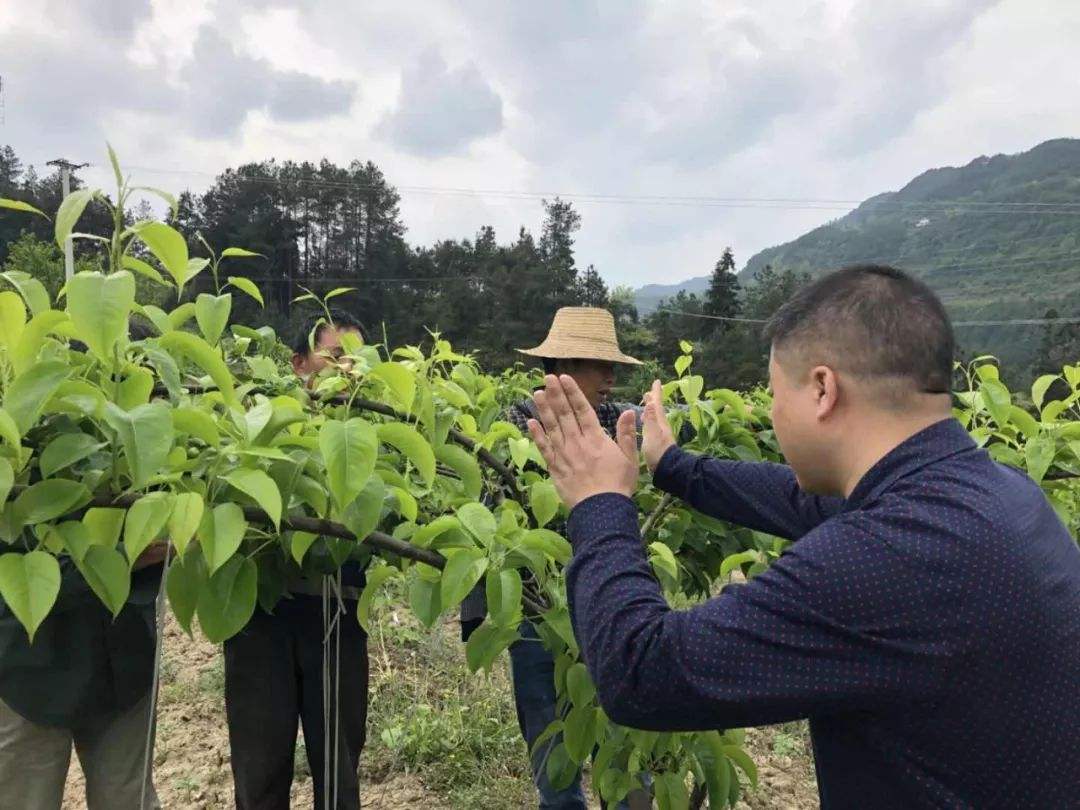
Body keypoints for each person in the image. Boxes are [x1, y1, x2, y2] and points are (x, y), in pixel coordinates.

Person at [526, 265, 1080, 808]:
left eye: (773, 392)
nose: (769, 410)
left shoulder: (882, 559)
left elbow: (640, 671)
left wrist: (600, 503)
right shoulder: (998, 491)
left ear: (821, 389)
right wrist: (673, 465)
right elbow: (804, 500)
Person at [461, 307, 652, 810]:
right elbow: (491, 515)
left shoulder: (619, 422)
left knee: (625, 747)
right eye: (598, 365)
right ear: (561, 367)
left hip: (607, 602)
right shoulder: (515, 425)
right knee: (550, 743)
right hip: (536, 611)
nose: (611, 377)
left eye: (613, 367)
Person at [0, 317, 166, 810]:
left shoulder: (148, 447)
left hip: (123, 668)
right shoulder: (29, 448)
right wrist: (124, 556)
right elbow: (26, 568)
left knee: (127, 801)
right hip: (28, 673)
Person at [223, 310, 372, 810]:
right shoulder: (258, 424)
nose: (347, 371)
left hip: (339, 617)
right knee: (260, 771)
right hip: (260, 618)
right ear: (298, 364)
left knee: (339, 777)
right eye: (334, 357)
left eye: (356, 361)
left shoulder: (371, 438)